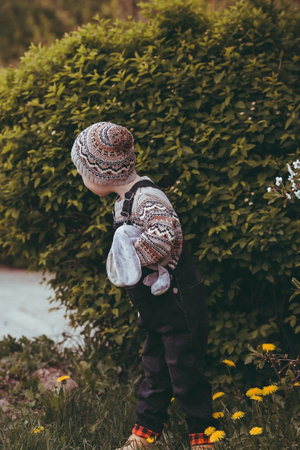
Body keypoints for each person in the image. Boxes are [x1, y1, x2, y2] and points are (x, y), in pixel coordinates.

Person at [71, 122, 218, 449]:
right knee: (154, 370)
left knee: (186, 371)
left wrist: (129, 259)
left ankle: (203, 436)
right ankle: (145, 432)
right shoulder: (123, 201)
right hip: (156, 305)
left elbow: (163, 238)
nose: (82, 179)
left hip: (178, 303)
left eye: (83, 172)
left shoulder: (148, 197)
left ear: (101, 175)